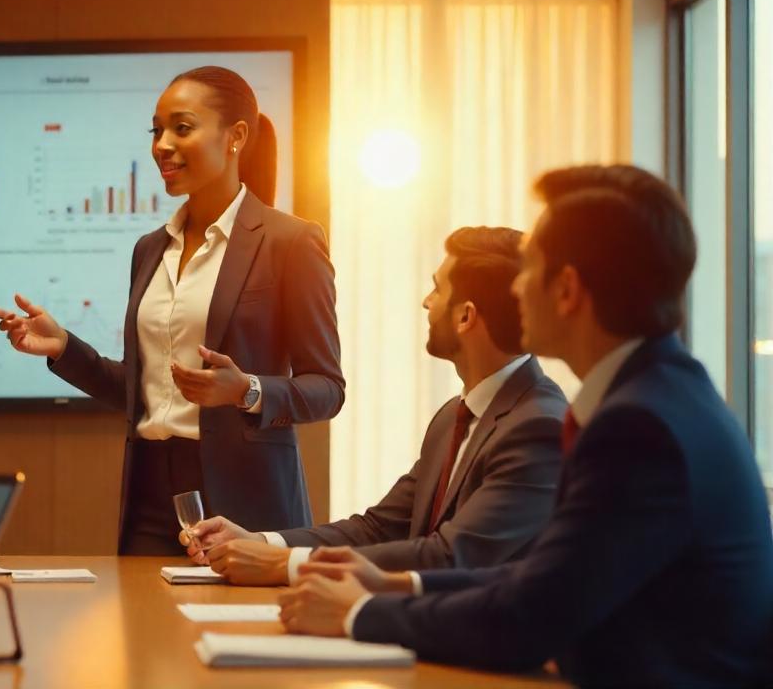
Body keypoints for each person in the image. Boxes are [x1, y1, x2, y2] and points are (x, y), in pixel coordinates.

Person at [278, 165, 773, 687]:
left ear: (567, 290)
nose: (514, 291)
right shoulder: (660, 395)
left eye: (527, 270)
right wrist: (397, 584)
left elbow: (528, 619)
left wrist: (357, 614)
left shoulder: (638, 427)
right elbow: (546, 578)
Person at [0, 66, 345, 554]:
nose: (162, 145)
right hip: (151, 494)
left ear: (236, 136)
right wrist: (65, 348)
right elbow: (145, 392)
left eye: (182, 127)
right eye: (157, 130)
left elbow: (327, 389)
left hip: (248, 502)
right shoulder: (150, 249)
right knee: (145, 630)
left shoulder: (290, 242)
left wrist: (247, 390)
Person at [182, 227, 565, 584]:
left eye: (437, 290)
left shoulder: (539, 426)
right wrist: (262, 543)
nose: (426, 302)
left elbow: (451, 556)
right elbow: (377, 528)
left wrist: (287, 566)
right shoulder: (453, 416)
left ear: (466, 316)